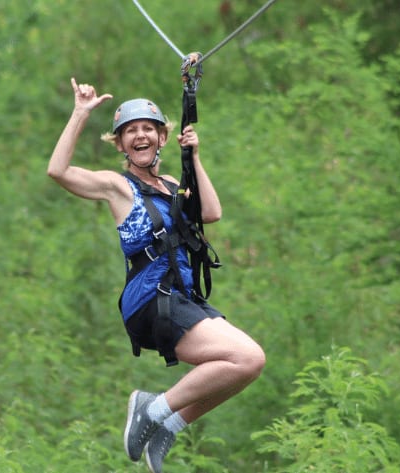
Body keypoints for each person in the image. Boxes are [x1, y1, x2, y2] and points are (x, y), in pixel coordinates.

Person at [47, 77, 265, 473]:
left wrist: (194, 157)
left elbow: (211, 212)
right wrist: (80, 112)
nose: (140, 135)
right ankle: (152, 407)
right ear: (121, 144)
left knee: (245, 367)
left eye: (148, 128)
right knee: (245, 356)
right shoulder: (118, 186)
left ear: (162, 137)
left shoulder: (171, 186)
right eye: (131, 131)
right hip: (150, 299)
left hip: (179, 298)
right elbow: (58, 171)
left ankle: (168, 423)